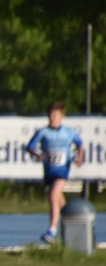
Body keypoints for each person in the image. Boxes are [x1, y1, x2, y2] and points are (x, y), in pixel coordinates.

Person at [26, 100, 85, 243]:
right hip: (49, 172)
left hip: (62, 171)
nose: (52, 118)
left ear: (62, 116)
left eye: (55, 115)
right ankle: (77, 229)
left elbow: (80, 144)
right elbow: (30, 146)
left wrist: (79, 159)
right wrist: (36, 154)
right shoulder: (43, 132)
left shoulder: (69, 132)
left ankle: (52, 230)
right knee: (60, 203)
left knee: (53, 196)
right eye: (50, 115)